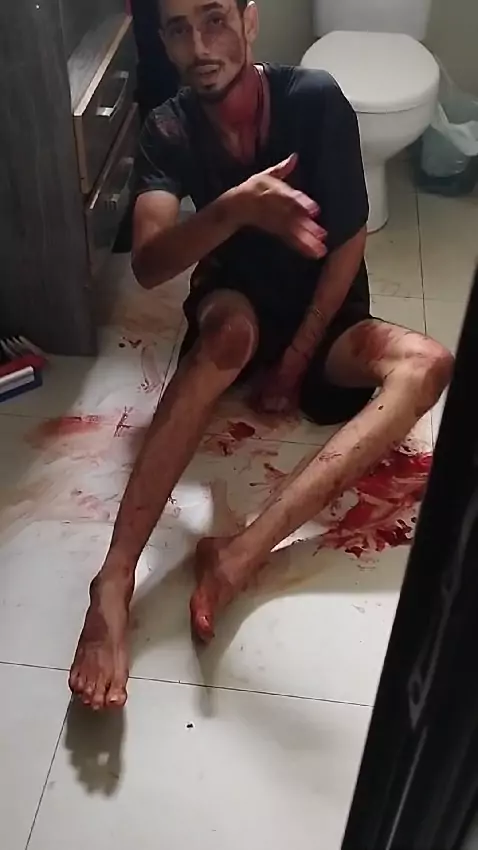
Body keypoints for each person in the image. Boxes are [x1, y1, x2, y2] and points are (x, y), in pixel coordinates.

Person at [69, 0, 453, 710]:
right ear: (163, 41)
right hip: (234, 303)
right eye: (178, 29)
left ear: (250, 21)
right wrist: (237, 208)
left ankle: (240, 553)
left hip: (327, 314)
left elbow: (348, 245)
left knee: (427, 364)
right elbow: (150, 264)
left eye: (215, 19)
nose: (199, 45)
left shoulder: (314, 100)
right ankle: (114, 580)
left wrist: (298, 359)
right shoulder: (169, 128)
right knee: (227, 336)